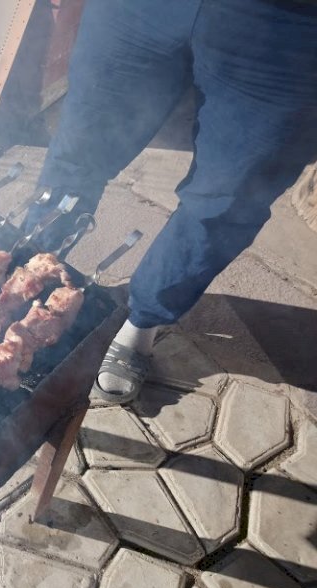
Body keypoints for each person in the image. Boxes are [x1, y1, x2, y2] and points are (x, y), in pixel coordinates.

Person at [23, 0, 317, 403]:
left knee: (227, 200)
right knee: (80, 149)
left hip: (290, 28)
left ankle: (143, 321)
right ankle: (30, 277)